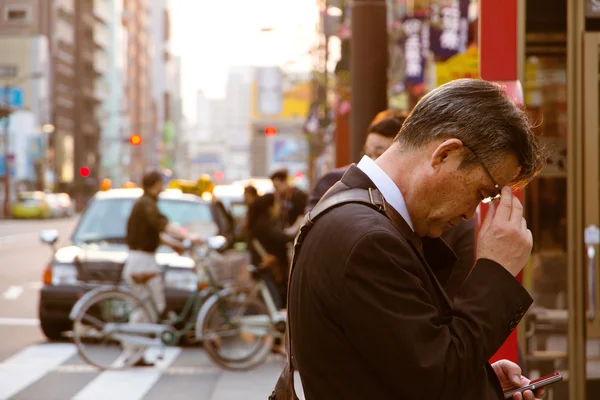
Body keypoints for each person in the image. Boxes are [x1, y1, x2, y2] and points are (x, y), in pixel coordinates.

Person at [287, 79, 547, 399]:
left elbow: (401, 369)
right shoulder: (369, 241)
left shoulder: (351, 211)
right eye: (482, 193)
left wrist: (481, 381)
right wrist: (496, 270)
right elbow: (437, 380)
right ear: (445, 154)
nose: (470, 214)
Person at [306, 115, 476, 299]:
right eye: (367, 154)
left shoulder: (444, 219)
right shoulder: (372, 231)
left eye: (379, 154)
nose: (372, 163)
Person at [122, 170, 201, 366]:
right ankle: (132, 351)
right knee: (145, 308)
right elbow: (162, 224)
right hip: (142, 260)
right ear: (155, 184)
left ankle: (136, 352)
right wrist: (188, 236)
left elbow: (154, 232)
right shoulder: (146, 203)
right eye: (161, 184)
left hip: (141, 258)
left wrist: (173, 244)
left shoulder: (144, 203)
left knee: (149, 306)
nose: (162, 187)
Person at [269, 168, 307, 235]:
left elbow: (303, 214)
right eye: (274, 187)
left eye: (277, 186)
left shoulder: (297, 194)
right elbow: (276, 214)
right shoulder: (281, 197)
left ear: (285, 182)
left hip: (297, 231)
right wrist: (276, 200)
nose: (276, 189)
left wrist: (293, 229)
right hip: (286, 229)